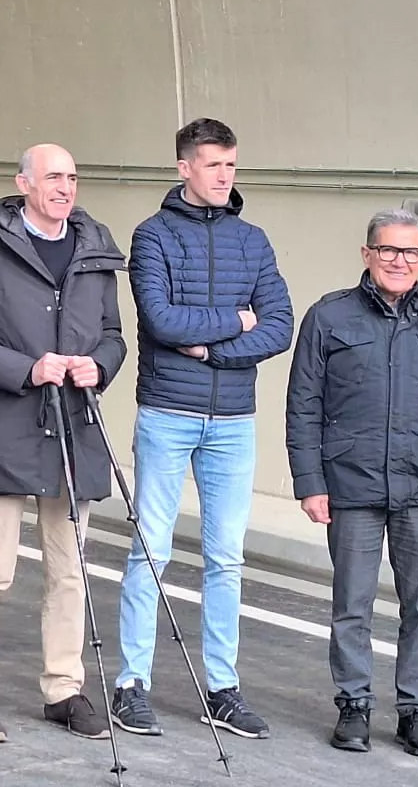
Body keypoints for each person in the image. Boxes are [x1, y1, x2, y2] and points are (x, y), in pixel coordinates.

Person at [0, 144, 126, 744]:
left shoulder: (95, 250)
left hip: (75, 425)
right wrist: (29, 368)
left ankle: (64, 689)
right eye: (52, 177)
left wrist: (100, 365)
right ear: (23, 183)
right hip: (6, 424)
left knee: (70, 570)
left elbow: (115, 336)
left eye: (72, 176)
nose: (64, 187)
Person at [114, 117, 292, 740]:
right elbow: (161, 320)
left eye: (232, 165)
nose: (225, 176)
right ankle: (130, 685)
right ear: (184, 167)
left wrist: (215, 349)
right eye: (214, 164)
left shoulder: (254, 240)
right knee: (151, 549)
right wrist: (235, 321)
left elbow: (279, 326)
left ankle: (223, 688)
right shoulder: (153, 236)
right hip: (167, 411)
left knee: (225, 557)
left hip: (234, 420)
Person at [286, 209, 418, 757]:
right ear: (367, 254)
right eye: (389, 250)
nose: (400, 261)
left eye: (411, 252)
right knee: (352, 602)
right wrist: (309, 481)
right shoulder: (329, 316)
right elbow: (304, 406)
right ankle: (354, 705)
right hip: (351, 482)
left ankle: (416, 712)